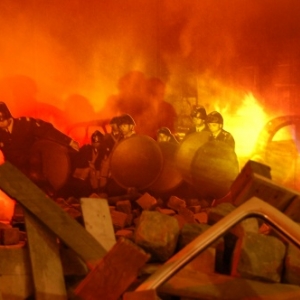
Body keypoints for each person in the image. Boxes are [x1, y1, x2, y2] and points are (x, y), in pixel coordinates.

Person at [0, 101, 79, 194]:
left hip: (33, 167)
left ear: (8, 117)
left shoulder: (26, 124)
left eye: (0, 121)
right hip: (14, 172)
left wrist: (69, 141)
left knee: (37, 180)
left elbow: (48, 131)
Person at [71, 130, 106, 197]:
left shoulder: (103, 152)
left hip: (97, 179)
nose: (96, 144)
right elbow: (78, 162)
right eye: (94, 142)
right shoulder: (85, 150)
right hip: (84, 178)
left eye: (98, 142)